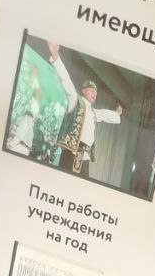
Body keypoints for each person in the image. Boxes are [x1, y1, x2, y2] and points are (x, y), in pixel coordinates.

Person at [46, 41, 121, 176]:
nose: (94, 94)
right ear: (84, 91)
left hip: (84, 157)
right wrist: (56, 57)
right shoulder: (75, 100)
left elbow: (105, 114)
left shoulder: (93, 112)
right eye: (92, 91)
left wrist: (117, 114)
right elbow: (66, 80)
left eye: (96, 93)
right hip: (71, 153)